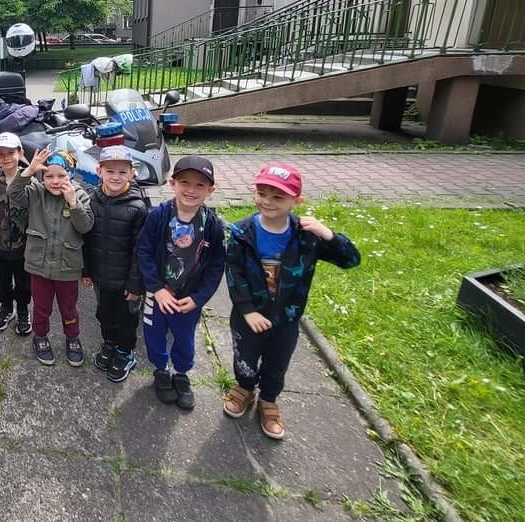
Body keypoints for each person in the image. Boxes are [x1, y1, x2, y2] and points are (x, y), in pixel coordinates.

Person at [223, 162, 360, 440]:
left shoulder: (306, 235)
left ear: (297, 201)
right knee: (245, 356)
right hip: (248, 316)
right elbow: (234, 273)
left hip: (286, 317)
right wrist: (247, 310)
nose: (268, 202)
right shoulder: (242, 231)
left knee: (278, 361)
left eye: (278, 197)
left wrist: (329, 235)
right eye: (262, 193)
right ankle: (244, 388)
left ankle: (269, 399)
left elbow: (351, 260)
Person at [137, 155, 226, 411]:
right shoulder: (158, 216)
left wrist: (199, 298)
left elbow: (216, 265)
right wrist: (156, 288)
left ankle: (181, 373)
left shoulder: (212, 225)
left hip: (188, 298)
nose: (191, 190)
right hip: (158, 295)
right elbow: (143, 251)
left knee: (185, 337)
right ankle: (160, 370)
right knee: (154, 334)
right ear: (172, 183)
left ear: (211, 190)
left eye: (200, 185)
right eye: (185, 182)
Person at [9, 148, 94, 367]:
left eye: (61, 176)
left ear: (71, 175)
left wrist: (73, 203)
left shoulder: (80, 195)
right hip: (40, 266)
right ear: (42, 177)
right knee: (41, 306)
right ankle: (40, 336)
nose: (55, 181)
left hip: (67, 267)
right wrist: (29, 170)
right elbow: (13, 193)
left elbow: (85, 227)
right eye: (49, 176)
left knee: (69, 307)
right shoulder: (36, 192)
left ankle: (72, 337)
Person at [83, 146, 148, 383]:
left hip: (125, 282)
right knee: (104, 313)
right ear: (99, 171)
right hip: (101, 276)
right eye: (110, 171)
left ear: (132, 173)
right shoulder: (92, 200)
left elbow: (140, 250)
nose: (116, 176)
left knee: (127, 319)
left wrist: (135, 283)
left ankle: (125, 351)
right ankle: (109, 342)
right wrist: (86, 271)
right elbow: (87, 240)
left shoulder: (138, 207)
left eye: (123, 171)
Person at [0, 132, 32, 335]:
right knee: (2, 281)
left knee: (24, 283)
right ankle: (6, 308)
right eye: (0, 154)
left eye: (10, 152)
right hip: (1, 246)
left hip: (25, 246)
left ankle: (22, 310)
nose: (6, 157)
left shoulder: (29, 180)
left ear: (20, 153)